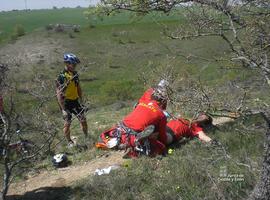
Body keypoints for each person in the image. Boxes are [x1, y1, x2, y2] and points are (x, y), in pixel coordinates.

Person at [96, 90, 168, 157]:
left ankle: (120, 144)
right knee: (160, 147)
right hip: (133, 137)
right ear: (163, 101)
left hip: (120, 131)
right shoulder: (161, 114)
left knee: (118, 133)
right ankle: (133, 145)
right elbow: (162, 137)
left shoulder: (142, 103)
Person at [56, 53, 88, 147]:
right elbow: (58, 93)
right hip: (66, 103)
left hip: (75, 101)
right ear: (67, 63)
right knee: (67, 123)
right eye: (73, 64)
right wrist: (63, 109)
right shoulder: (61, 76)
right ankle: (69, 141)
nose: (74, 66)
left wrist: (81, 101)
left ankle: (86, 137)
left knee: (83, 120)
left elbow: (78, 87)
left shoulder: (75, 74)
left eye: (75, 65)